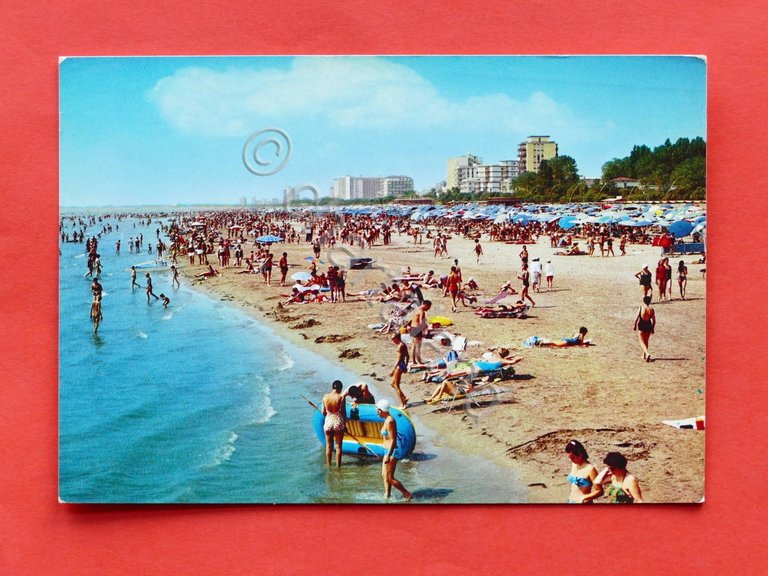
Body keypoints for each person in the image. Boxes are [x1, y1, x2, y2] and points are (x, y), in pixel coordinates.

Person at [376, 399, 412, 501]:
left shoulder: (390, 421)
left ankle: (406, 493)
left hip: (391, 452)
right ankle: (387, 495)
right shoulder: (386, 420)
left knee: (389, 478)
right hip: (386, 451)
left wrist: (388, 455)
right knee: (384, 475)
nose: (377, 412)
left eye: (378, 410)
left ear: (381, 410)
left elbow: (393, 440)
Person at [564, 440, 602, 504]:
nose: (571, 460)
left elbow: (600, 491)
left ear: (580, 454)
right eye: (570, 458)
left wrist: (584, 498)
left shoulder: (590, 469)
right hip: (571, 501)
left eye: (573, 458)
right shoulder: (574, 464)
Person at [321, 380, 346, 468]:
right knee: (338, 446)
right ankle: (338, 466)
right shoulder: (341, 397)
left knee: (329, 446)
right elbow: (343, 413)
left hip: (328, 422)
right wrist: (345, 425)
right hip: (338, 422)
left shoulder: (325, 397)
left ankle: (329, 465)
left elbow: (323, 412)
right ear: (340, 388)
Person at [389, 333, 410, 407]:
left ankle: (403, 404)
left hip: (399, 366)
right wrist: (406, 365)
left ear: (397, 338)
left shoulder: (400, 347)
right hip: (402, 365)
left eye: (393, 339)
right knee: (392, 384)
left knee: (396, 385)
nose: (393, 341)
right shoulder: (403, 344)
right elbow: (407, 356)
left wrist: (392, 370)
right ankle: (404, 397)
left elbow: (398, 360)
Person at [409, 300, 431, 365]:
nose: (428, 309)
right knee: (418, 346)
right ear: (426, 305)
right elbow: (421, 322)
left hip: (413, 327)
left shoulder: (417, 309)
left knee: (413, 346)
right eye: (428, 307)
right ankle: (419, 361)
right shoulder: (422, 311)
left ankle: (414, 361)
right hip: (417, 329)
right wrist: (426, 329)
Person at [633, 295, 655, 361]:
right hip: (648, 325)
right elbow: (654, 321)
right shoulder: (651, 309)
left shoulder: (641, 308)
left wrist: (634, 325)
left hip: (642, 324)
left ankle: (647, 353)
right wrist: (652, 328)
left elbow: (636, 318)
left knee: (641, 341)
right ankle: (644, 355)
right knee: (646, 341)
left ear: (643, 301)